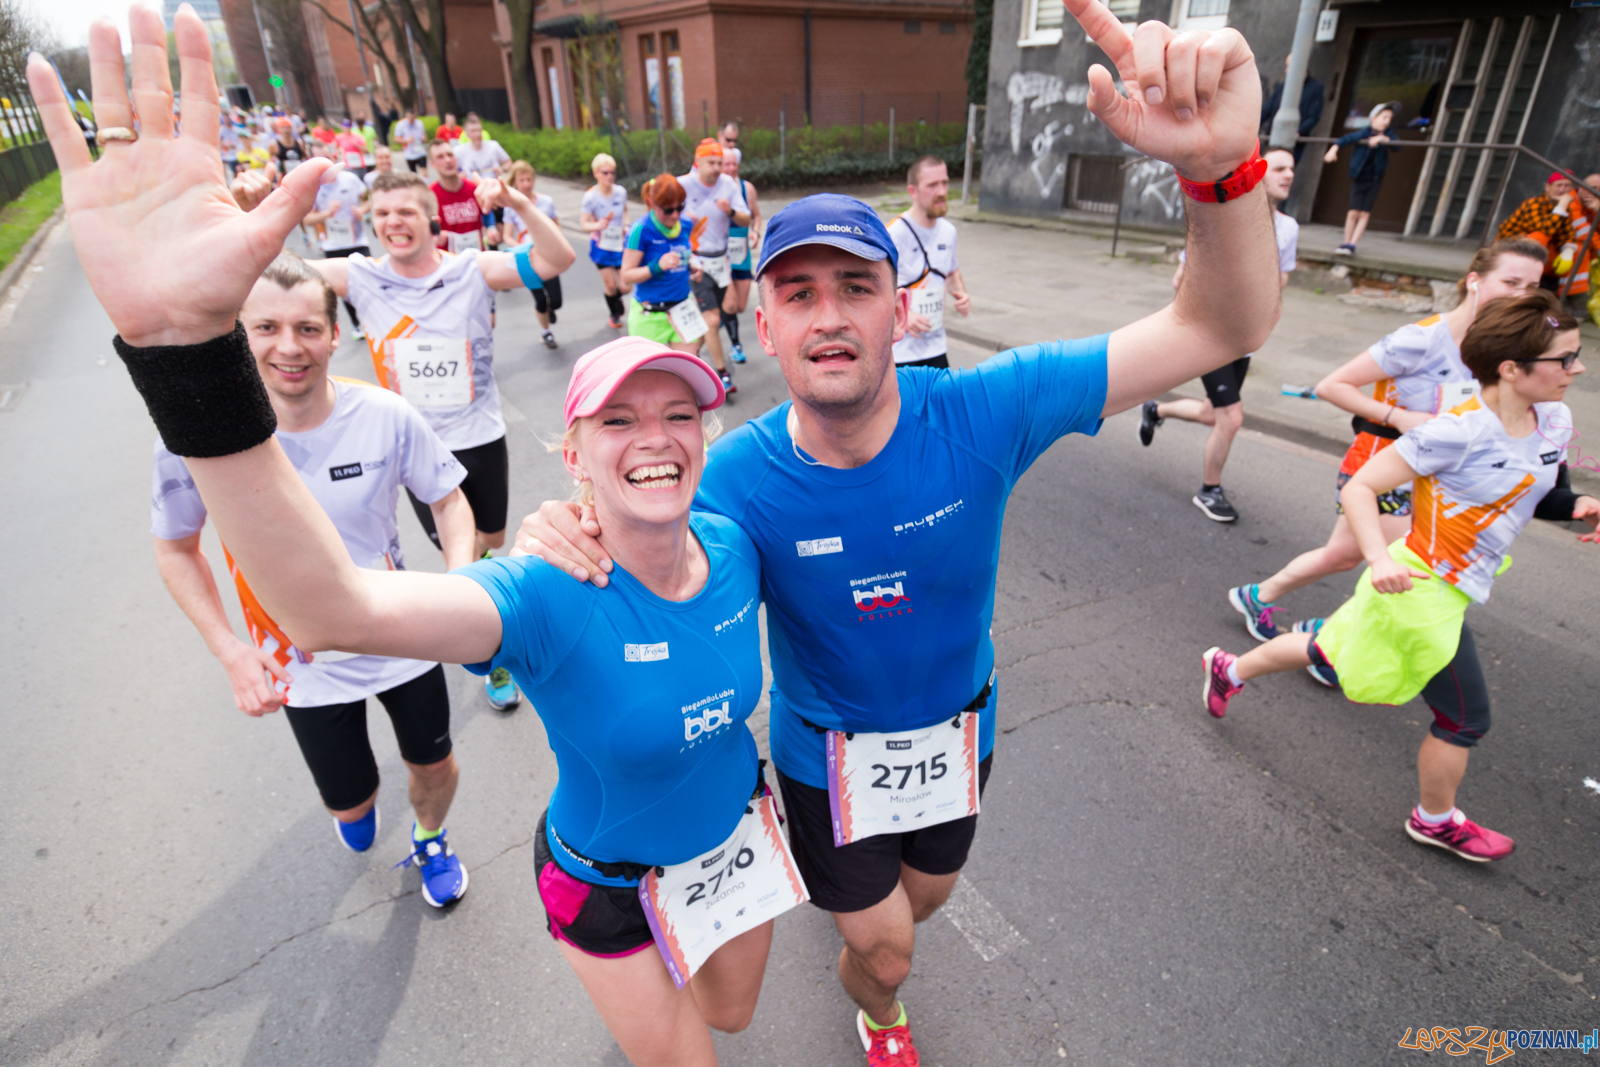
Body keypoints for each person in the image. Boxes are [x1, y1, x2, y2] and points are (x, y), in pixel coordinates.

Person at [515, 4, 1283, 1060]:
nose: (827, 314)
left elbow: (1219, 326)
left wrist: (1224, 171)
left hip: (959, 730)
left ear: (901, 307)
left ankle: (880, 973)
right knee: (882, 947)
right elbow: (628, 519)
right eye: (797, 294)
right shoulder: (730, 474)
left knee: (919, 907)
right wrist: (562, 521)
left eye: (855, 287)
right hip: (825, 757)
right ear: (766, 321)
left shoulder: (986, 410)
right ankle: (878, 1003)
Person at [29, 15, 814, 1049]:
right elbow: (332, 606)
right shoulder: (541, 588)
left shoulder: (737, 539)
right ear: (572, 454)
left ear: (707, 433)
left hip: (737, 846)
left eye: (679, 413)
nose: (656, 437)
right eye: (618, 419)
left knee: (734, 1009)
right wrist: (187, 352)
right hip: (607, 881)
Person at [1203, 290, 1597, 863]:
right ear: (1511, 369)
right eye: (1565, 359)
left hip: (1461, 582)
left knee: (1332, 649)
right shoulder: (1453, 432)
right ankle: (1434, 820)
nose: (1578, 369)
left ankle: (1227, 668)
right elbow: (1362, 486)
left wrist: (1580, 504)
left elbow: (1541, 493)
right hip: (1422, 585)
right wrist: (1380, 557)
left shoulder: (1553, 420)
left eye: (1576, 355)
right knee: (1464, 718)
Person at [150, 252, 477, 905]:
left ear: (334, 334)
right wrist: (231, 651)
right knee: (353, 810)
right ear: (238, 337)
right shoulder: (197, 439)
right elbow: (176, 548)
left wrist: (459, 583)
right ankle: (358, 810)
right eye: (265, 328)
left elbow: (448, 499)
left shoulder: (383, 414)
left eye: (307, 328)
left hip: (402, 634)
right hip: (297, 664)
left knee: (435, 764)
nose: (288, 347)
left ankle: (431, 838)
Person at [229, 162, 576, 710]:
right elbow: (269, 273)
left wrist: (519, 204)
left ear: (431, 218)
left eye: (407, 211)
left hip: (478, 433)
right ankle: (491, 646)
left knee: (491, 536)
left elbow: (557, 260)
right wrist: (249, 211)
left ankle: (477, 593)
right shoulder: (359, 276)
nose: (395, 222)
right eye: (384, 213)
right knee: (454, 544)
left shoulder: (471, 270)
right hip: (410, 444)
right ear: (372, 221)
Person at [1224, 238, 1547, 663]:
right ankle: (1328, 646)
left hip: (1432, 472)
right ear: (1474, 281)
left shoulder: (1504, 348)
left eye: (1533, 286)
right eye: (1510, 281)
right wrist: (1398, 416)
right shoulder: (1421, 339)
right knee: (1414, 568)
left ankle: (1261, 599)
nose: (1521, 294)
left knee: (1342, 556)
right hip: (1381, 461)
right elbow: (1331, 386)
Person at [1137, 147, 1298, 522]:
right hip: (1212, 334)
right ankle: (1209, 490)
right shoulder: (1225, 220)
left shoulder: (1288, 228)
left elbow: (1283, 277)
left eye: (1291, 168)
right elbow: (1182, 279)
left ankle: (1156, 410)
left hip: (1245, 338)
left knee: (1213, 413)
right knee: (1231, 417)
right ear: (1258, 174)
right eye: (1278, 168)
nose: (1288, 174)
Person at [622, 174, 718, 372]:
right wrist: (657, 266)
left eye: (679, 207)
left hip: (682, 309)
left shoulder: (684, 224)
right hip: (650, 314)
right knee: (649, 377)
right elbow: (626, 276)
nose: (675, 215)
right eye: (668, 210)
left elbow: (687, 253)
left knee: (687, 373)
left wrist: (692, 264)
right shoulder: (641, 230)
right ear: (651, 203)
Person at [679, 139, 749, 395]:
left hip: (721, 259)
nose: (718, 167)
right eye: (712, 162)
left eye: (720, 162)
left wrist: (729, 210)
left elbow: (746, 217)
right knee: (712, 318)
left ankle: (687, 356)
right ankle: (722, 373)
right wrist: (682, 220)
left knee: (729, 307)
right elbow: (660, 214)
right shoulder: (683, 185)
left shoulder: (728, 184)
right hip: (695, 261)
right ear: (698, 162)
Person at [888, 155, 970, 371]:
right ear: (913, 191)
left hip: (936, 347)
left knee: (944, 404)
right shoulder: (895, 233)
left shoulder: (948, 231)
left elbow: (950, 270)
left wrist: (961, 294)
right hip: (901, 352)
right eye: (932, 185)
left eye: (944, 183)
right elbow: (875, 286)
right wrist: (904, 315)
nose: (942, 192)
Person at [304, 160, 372, 338]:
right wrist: (327, 213)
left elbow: (368, 200)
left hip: (357, 240)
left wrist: (362, 210)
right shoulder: (313, 188)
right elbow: (307, 220)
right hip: (333, 243)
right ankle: (356, 323)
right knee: (345, 286)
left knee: (368, 280)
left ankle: (372, 318)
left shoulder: (349, 179)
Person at [1323, 101, 1400, 256]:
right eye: (1384, 117)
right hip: (1360, 176)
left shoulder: (1389, 134)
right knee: (1353, 211)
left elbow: (1397, 146)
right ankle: (1346, 241)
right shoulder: (1364, 132)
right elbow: (1347, 139)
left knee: (1364, 213)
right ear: (1374, 118)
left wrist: (1382, 139)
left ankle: (1353, 244)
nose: (1387, 121)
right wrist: (1334, 149)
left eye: (1389, 118)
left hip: (1375, 178)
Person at [503, 160, 564, 349]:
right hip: (527, 260)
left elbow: (556, 226)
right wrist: (523, 247)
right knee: (539, 299)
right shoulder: (510, 207)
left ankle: (549, 309)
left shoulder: (546, 201)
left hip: (548, 256)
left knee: (556, 301)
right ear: (515, 182)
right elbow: (507, 236)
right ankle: (546, 332)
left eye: (529, 179)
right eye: (522, 180)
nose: (527, 183)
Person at [1497, 172, 1580, 293]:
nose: (1562, 189)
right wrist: (1562, 204)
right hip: (1510, 248)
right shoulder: (1534, 204)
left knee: (1571, 252)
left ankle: (1553, 291)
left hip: (1536, 254)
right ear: (1548, 187)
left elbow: (1567, 234)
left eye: (1567, 186)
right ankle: (1522, 278)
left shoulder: (1564, 209)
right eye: (1559, 185)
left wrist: (1568, 250)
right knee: (1540, 237)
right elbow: (1547, 228)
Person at [579, 152, 630, 330]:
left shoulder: (620, 192)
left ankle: (617, 297)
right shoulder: (590, 197)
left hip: (619, 243)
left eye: (612, 173)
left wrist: (626, 225)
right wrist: (597, 225)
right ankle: (614, 313)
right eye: (605, 173)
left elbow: (625, 211)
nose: (609, 176)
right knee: (610, 284)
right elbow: (583, 224)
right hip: (601, 245)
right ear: (596, 174)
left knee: (625, 286)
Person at [720, 147, 760, 362]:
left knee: (740, 306)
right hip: (720, 257)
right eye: (726, 164)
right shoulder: (712, 190)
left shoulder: (747, 188)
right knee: (730, 304)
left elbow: (757, 216)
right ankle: (736, 345)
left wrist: (755, 232)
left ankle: (716, 313)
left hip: (741, 254)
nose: (731, 168)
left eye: (734, 163)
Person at [1259, 53, 1323, 163]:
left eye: (1289, 66)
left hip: (1293, 142)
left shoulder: (1316, 88)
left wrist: (1299, 131)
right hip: (1272, 137)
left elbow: (1314, 116)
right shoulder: (1281, 87)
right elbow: (1267, 109)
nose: (1286, 70)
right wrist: (1254, 125)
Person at [429, 138, 491, 251]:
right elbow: (423, 228)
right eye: (440, 157)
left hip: (476, 259)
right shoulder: (429, 195)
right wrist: (435, 235)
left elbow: (487, 214)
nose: (447, 160)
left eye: (450, 155)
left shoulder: (474, 188)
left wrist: (491, 228)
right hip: (448, 262)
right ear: (432, 164)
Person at [452, 113, 510, 183]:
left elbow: (508, 162)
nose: (477, 134)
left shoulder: (493, 146)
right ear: (467, 134)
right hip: (472, 189)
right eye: (473, 131)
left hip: (494, 186)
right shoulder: (459, 151)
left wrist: (502, 169)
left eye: (479, 130)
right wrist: (459, 176)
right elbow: (451, 170)